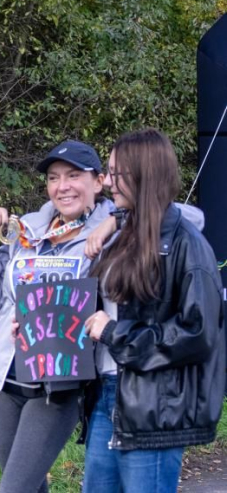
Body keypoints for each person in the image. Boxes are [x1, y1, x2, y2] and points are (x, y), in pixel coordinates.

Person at [83, 128, 225, 493]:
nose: (109, 182)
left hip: (154, 408)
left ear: (144, 172)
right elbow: (100, 309)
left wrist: (115, 334)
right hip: (107, 397)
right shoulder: (122, 232)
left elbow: (197, 333)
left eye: (117, 173)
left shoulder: (187, 246)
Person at [0, 140, 114, 493]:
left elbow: (173, 216)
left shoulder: (114, 232)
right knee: (30, 489)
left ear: (99, 181)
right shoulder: (28, 231)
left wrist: (114, 221)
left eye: (74, 175)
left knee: (14, 489)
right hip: (2, 379)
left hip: (57, 387)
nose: (62, 186)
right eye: (53, 178)